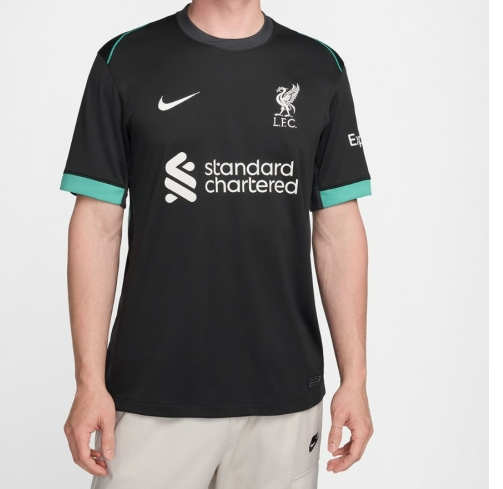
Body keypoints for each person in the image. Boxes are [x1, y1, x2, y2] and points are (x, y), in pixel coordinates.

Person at [60, 1, 373, 487]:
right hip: (153, 391)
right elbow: (98, 225)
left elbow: (338, 230)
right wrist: (89, 382)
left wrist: (355, 379)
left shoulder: (319, 67)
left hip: (284, 395)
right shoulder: (126, 59)